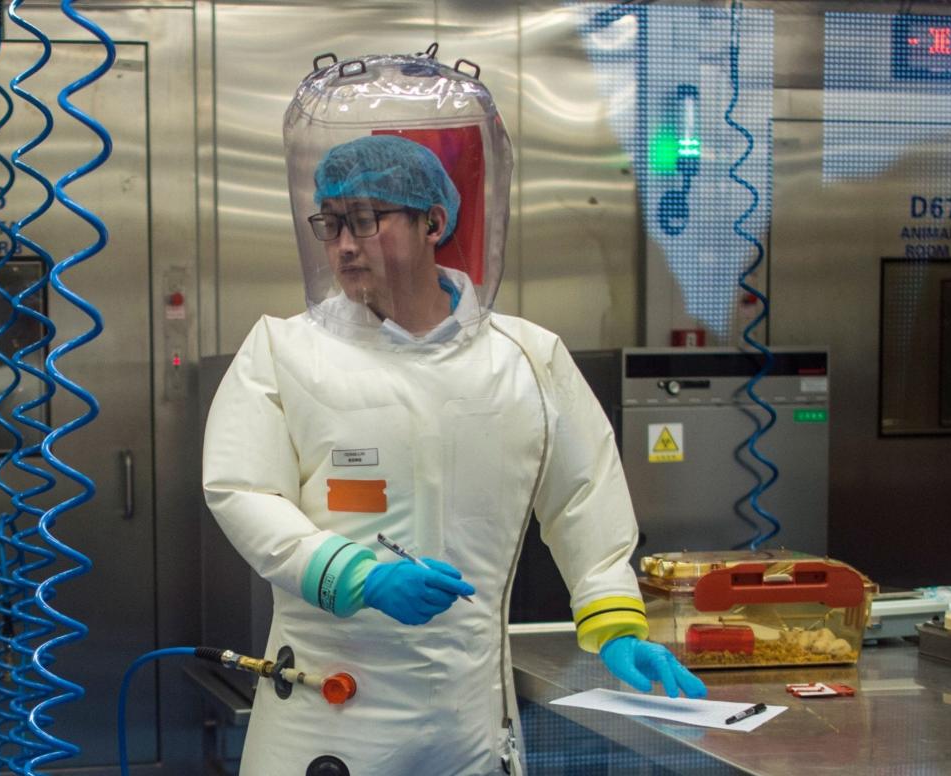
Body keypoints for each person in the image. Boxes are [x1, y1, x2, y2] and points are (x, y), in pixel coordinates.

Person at [202, 52, 705, 776]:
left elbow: (584, 495)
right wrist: (355, 576)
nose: (344, 244)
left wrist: (614, 619)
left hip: (472, 729)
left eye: (366, 220)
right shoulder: (283, 352)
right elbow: (242, 492)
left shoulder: (526, 360)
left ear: (434, 220)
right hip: (325, 724)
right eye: (330, 223)